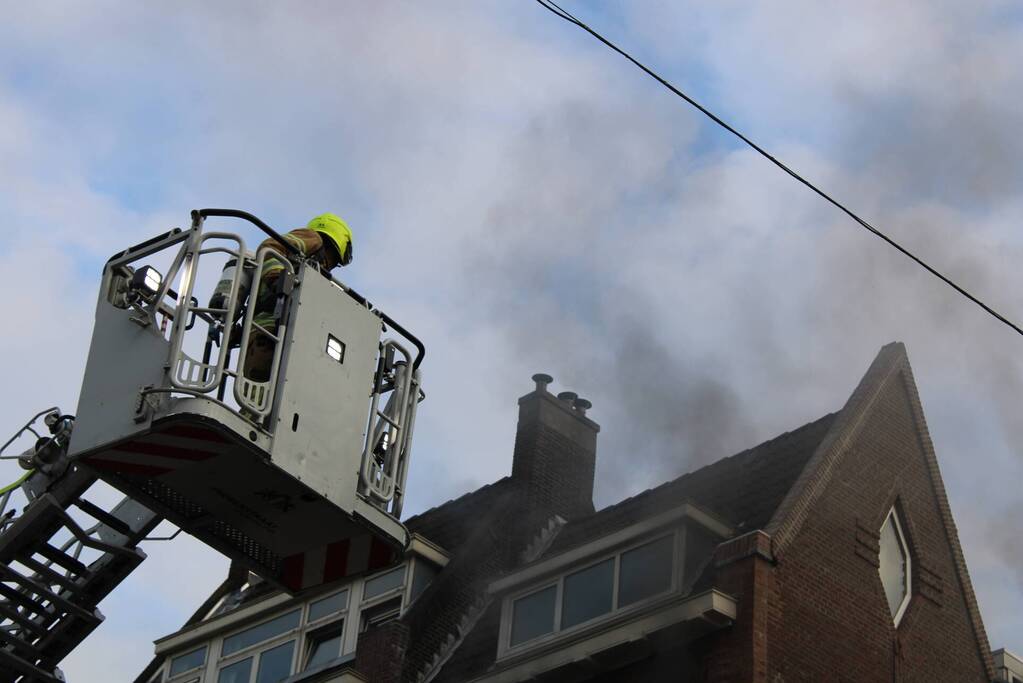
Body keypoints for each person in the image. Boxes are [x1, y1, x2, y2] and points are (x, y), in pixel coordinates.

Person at [242, 213, 354, 382]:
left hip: (270, 333)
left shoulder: (315, 270)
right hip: (273, 328)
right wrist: (277, 277)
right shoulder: (313, 239)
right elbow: (269, 247)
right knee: (267, 391)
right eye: (335, 262)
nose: (332, 267)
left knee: (265, 395)